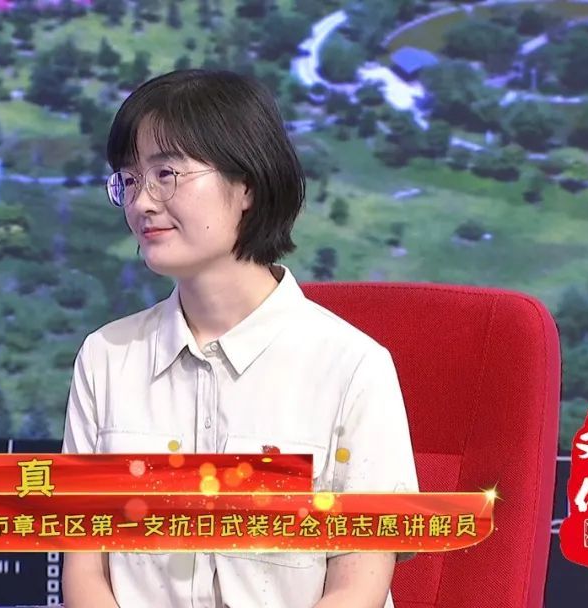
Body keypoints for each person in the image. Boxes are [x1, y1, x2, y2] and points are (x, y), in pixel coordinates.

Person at [61, 69, 419, 608]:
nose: (142, 203)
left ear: (246, 184)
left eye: (166, 174)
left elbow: (358, 584)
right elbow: (84, 569)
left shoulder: (351, 366)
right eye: (129, 180)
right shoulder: (106, 358)